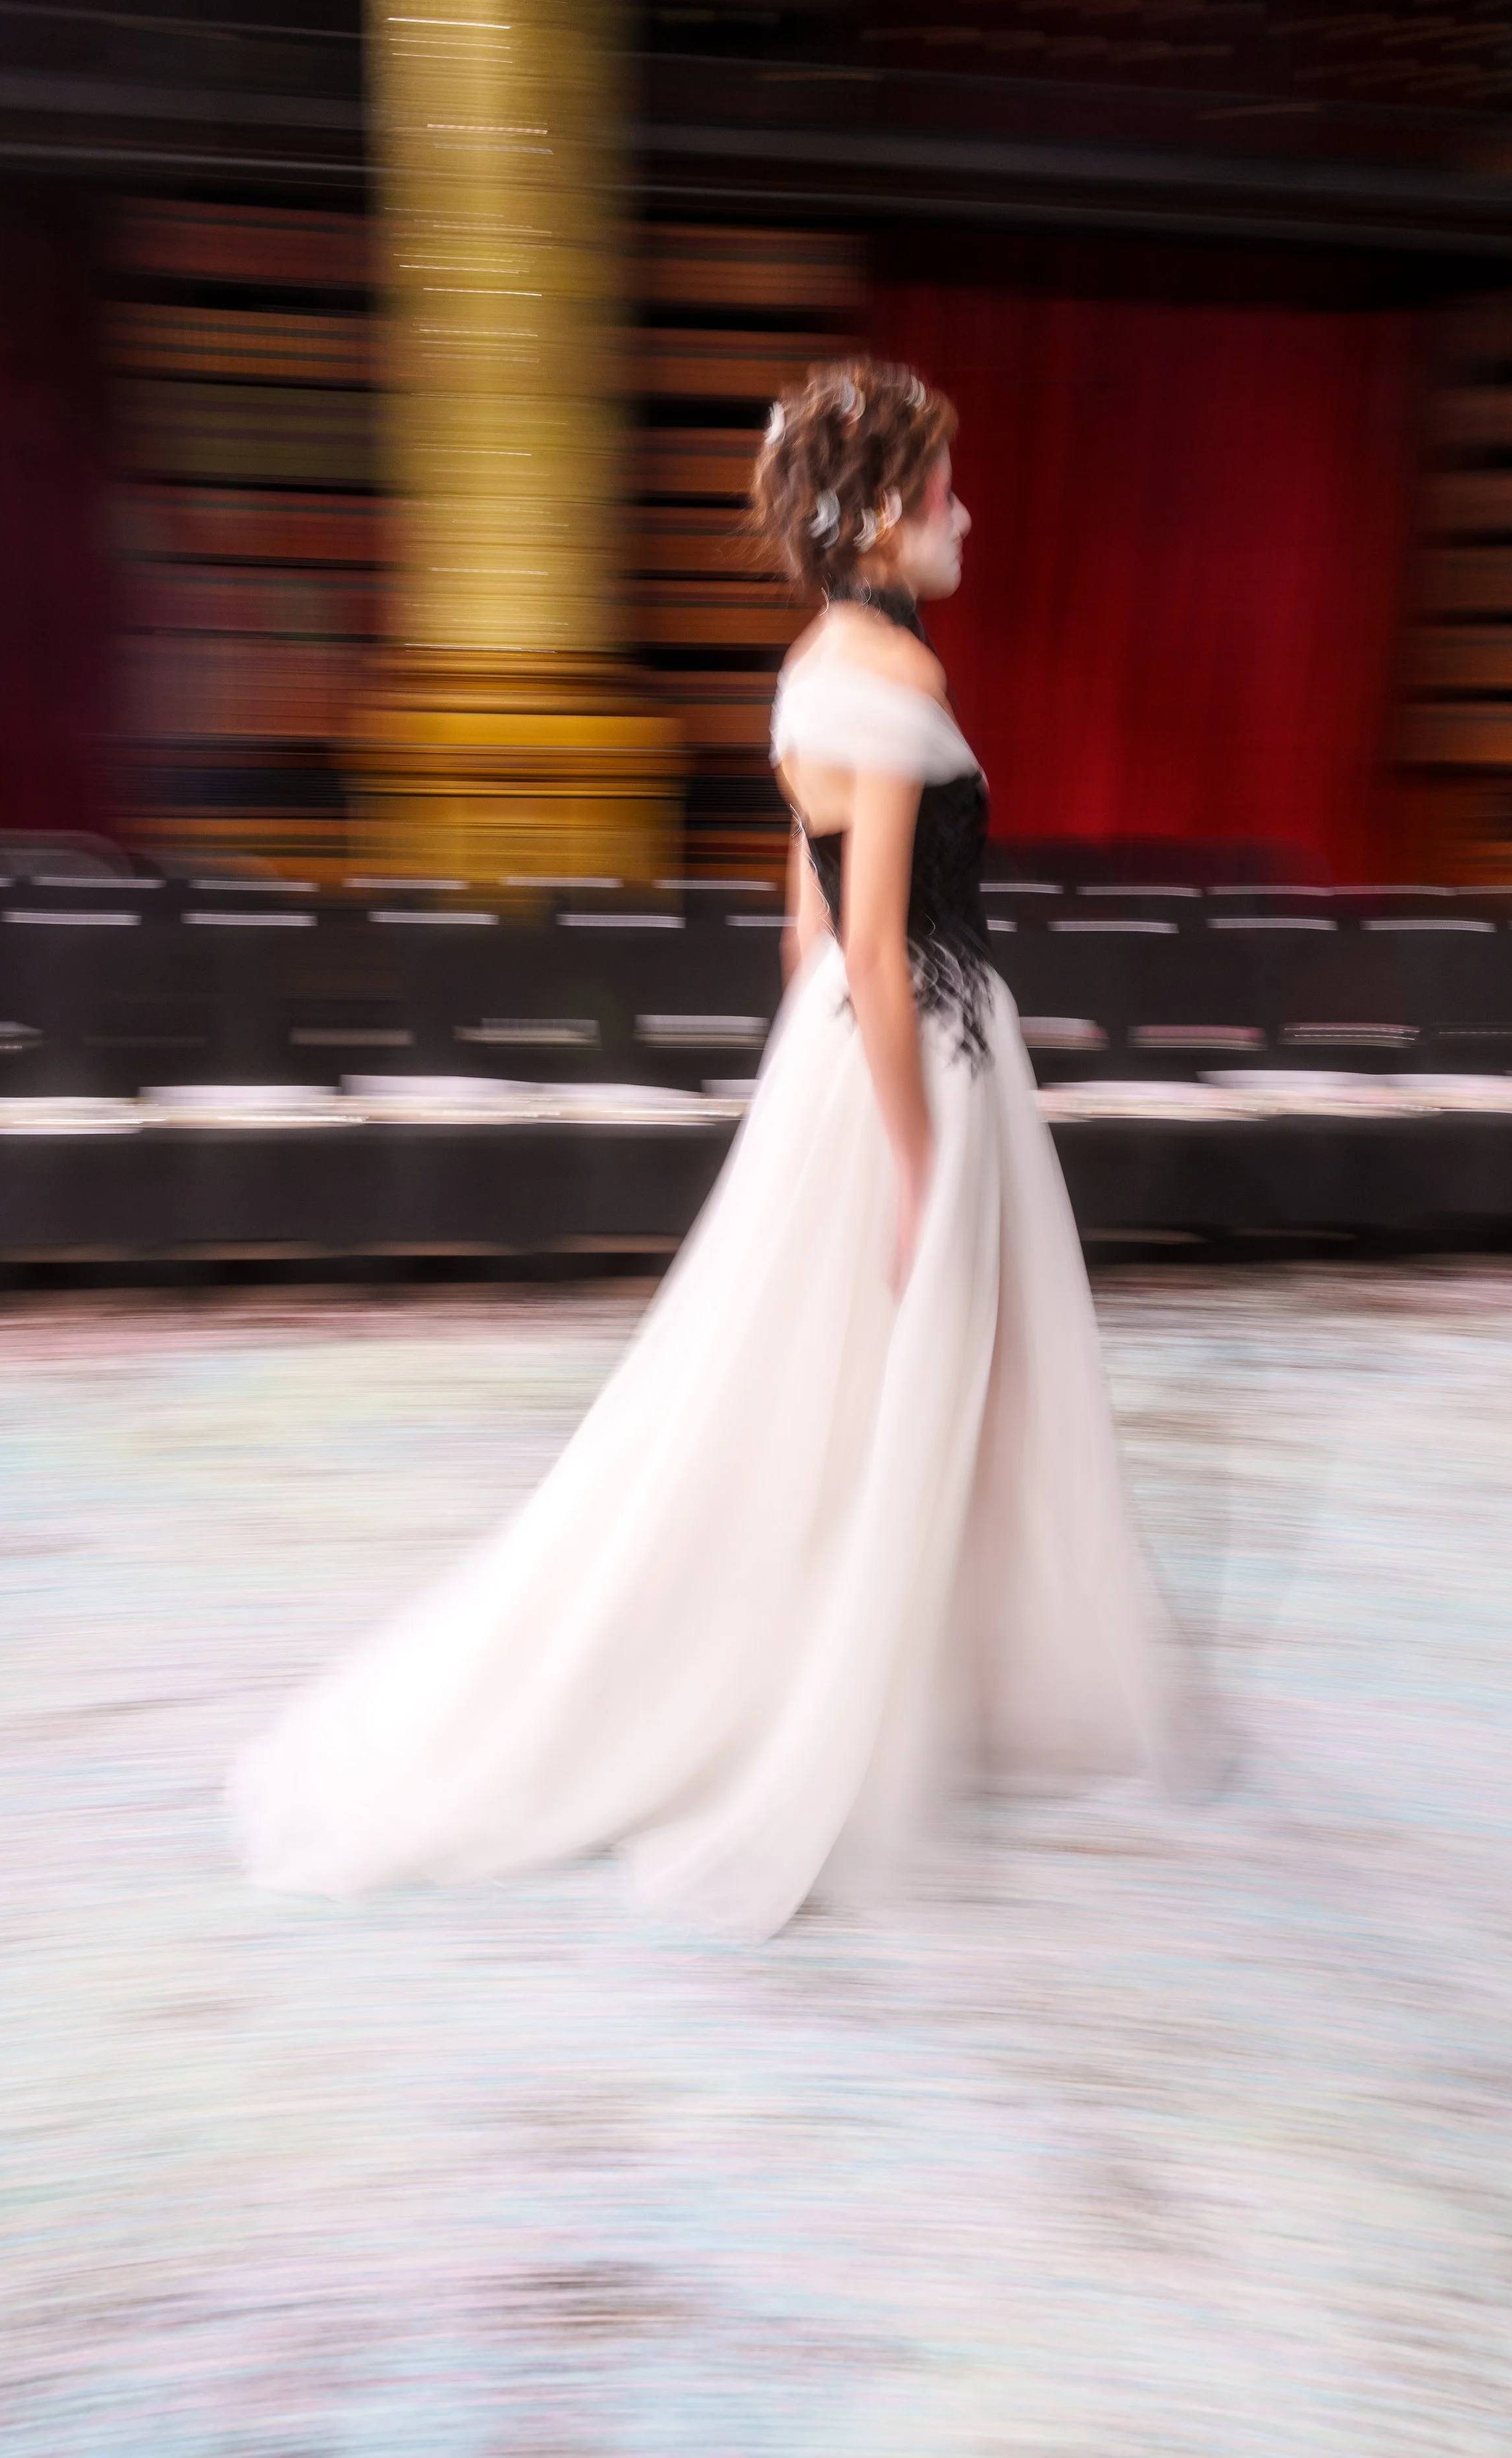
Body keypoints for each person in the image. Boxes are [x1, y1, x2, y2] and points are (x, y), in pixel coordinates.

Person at [234, 358, 1203, 1941]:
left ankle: (890, 1669)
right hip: (914, 1062)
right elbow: (876, 942)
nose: (966, 512)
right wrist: (907, 1158)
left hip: (845, 1052)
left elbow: (804, 920)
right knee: (898, 1378)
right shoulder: (891, 683)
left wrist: (809, 1091)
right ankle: (828, 1697)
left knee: (824, 1390)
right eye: (945, 488)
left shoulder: (817, 660)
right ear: (885, 510)